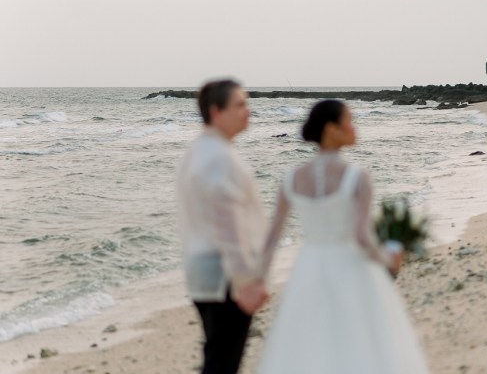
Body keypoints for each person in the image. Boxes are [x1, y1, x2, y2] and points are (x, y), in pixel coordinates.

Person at [256, 100, 430, 374]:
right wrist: (387, 259)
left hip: (309, 268)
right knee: (363, 342)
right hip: (352, 266)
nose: (354, 127)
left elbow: (272, 237)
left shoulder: (291, 179)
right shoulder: (357, 177)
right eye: (349, 121)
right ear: (331, 129)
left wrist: (259, 280)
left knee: (310, 346)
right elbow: (361, 236)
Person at [177, 79, 269, 374]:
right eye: (240, 104)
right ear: (216, 112)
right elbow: (227, 225)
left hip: (202, 271)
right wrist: (246, 281)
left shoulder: (197, 152)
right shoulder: (219, 158)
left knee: (217, 356)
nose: (248, 111)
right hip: (224, 276)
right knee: (223, 363)